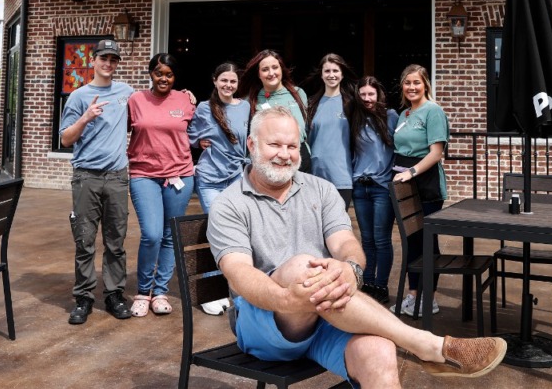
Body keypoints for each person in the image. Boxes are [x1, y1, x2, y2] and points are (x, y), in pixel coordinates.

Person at [207, 107, 505, 387]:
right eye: (275, 145)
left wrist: (350, 270)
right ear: (251, 144)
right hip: (264, 322)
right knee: (303, 266)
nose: (285, 155)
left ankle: (421, 345)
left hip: (324, 313)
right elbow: (239, 273)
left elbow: (346, 243)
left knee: (379, 349)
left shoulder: (320, 189)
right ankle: (427, 344)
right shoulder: (230, 204)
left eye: (292, 146)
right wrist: (287, 299)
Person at [59, 39, 134, 325]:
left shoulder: (126, 92)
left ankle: (114, 294)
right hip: (86, 176)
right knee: (85, 240)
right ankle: (84, 297)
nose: (108, 64)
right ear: (93, 61)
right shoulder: (79, 96)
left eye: (113, 60)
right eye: (104, 58)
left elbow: (154, 103)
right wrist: (86, 118)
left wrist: (186, 96)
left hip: (117, 177)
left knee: (116, 241)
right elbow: (66, 138)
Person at [126, 53, 196, 317]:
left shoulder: (186, 100)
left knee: (170, 236)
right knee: (152, 234)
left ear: (174, 77)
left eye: (169, 74)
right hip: (144, 174)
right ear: (150, 74)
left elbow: (199, 131)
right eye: (159, 73)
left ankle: (160, 291)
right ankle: (143, 292)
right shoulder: (136, 100)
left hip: (180, 175)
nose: (163, 78)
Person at [391, 64, 450, 318]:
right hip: (405, 185)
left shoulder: (433, 112)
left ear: (425, 84)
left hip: (425, 184)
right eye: (407, 83)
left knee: (427, 241)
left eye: (416, 83)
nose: (412, 87)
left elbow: (436, 153)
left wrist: (411, 172)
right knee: (412, 241)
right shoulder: (404, 114)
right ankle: (413, 295)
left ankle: (430, 298)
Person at [348, 76, 398, 305]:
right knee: (366, 240)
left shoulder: (391, 117)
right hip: (360, 186)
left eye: (371, 94)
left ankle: (381, 285)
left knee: (382, 239)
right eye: (363, 94)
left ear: (378, 95)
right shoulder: (353, 119)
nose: (367, 99)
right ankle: (367, 283)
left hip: (382, 187)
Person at [188, 62, 250, 213]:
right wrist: (198, 142)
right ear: (215, 81)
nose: (228, 85)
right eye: (224, 80)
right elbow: (188, 134)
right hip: (209, 177)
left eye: (233, 81)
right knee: (217, 220)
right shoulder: (204, 107)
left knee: (236, 220)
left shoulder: (245, 107)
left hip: (236, 177)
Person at [237, 49, 311, 172]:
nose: (271, 73)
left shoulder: (298, 94)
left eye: (275, 67)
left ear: (281, 69)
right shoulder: (250, 100)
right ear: (258, 74)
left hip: (300, 157)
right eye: (265, 69)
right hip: (269, 161)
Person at [306, 53, 357, 208]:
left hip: (342, 176)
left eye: (335, 71)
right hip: (316, 177)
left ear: (342, 74)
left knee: (339, 228)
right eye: (327, 71)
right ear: (321, 75)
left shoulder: (351, 104)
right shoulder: (312, 105)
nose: (331, 75)